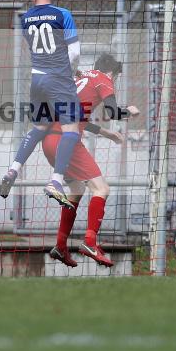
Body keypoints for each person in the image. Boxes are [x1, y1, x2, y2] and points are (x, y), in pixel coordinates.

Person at [41, 54, 140, 268]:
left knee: (77, 189)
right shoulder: (104, 79)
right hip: (65, 142)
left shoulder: (80, 79)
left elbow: (78, 118)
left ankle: (60, 245)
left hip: (49, 141)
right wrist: (128, 112)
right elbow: (113, 112)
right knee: (101, 189)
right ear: (112, 73)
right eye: (116, 78)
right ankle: (89, 242)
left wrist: (107, 134)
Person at [0, 0, 82, 209]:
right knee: (71, 131)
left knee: (39, 127)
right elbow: (74, 53)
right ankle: (55, 181)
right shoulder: (62, 14)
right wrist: (71, 72)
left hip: (37, 80)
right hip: (58, 78)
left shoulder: (26, 19)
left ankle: (13, 170)